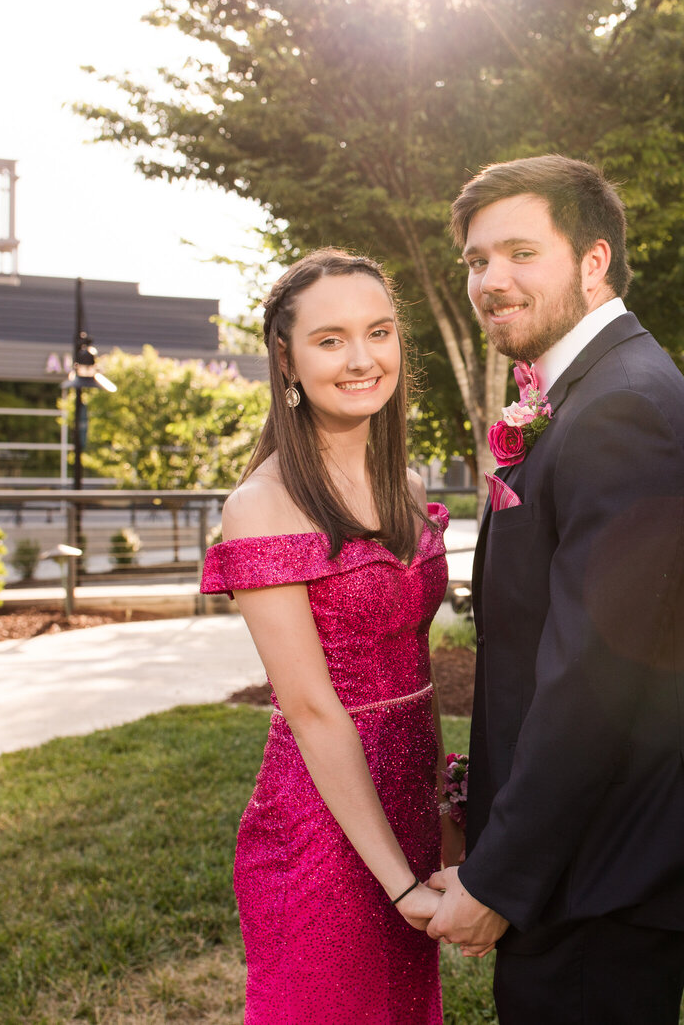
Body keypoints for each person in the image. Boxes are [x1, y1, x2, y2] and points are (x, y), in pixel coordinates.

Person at [425, 155, 684, 1024]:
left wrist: (502, 877)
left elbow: (592, 682)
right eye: (476, 261)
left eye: (520, 252)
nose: (491, 280)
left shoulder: (621, 411)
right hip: (594, 851)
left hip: (603, 869)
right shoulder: (590, 392)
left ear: (594, 259)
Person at [199, 249, 458, 1024]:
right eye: (331, 338)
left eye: (378, 332)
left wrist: (444, 820)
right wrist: (401, 882)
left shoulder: (407, 485)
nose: (362, 358)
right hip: (322, 829)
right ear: (286, 358)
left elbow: (417, 670)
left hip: (409, 810)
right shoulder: (263, 504)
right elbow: (312, 708)